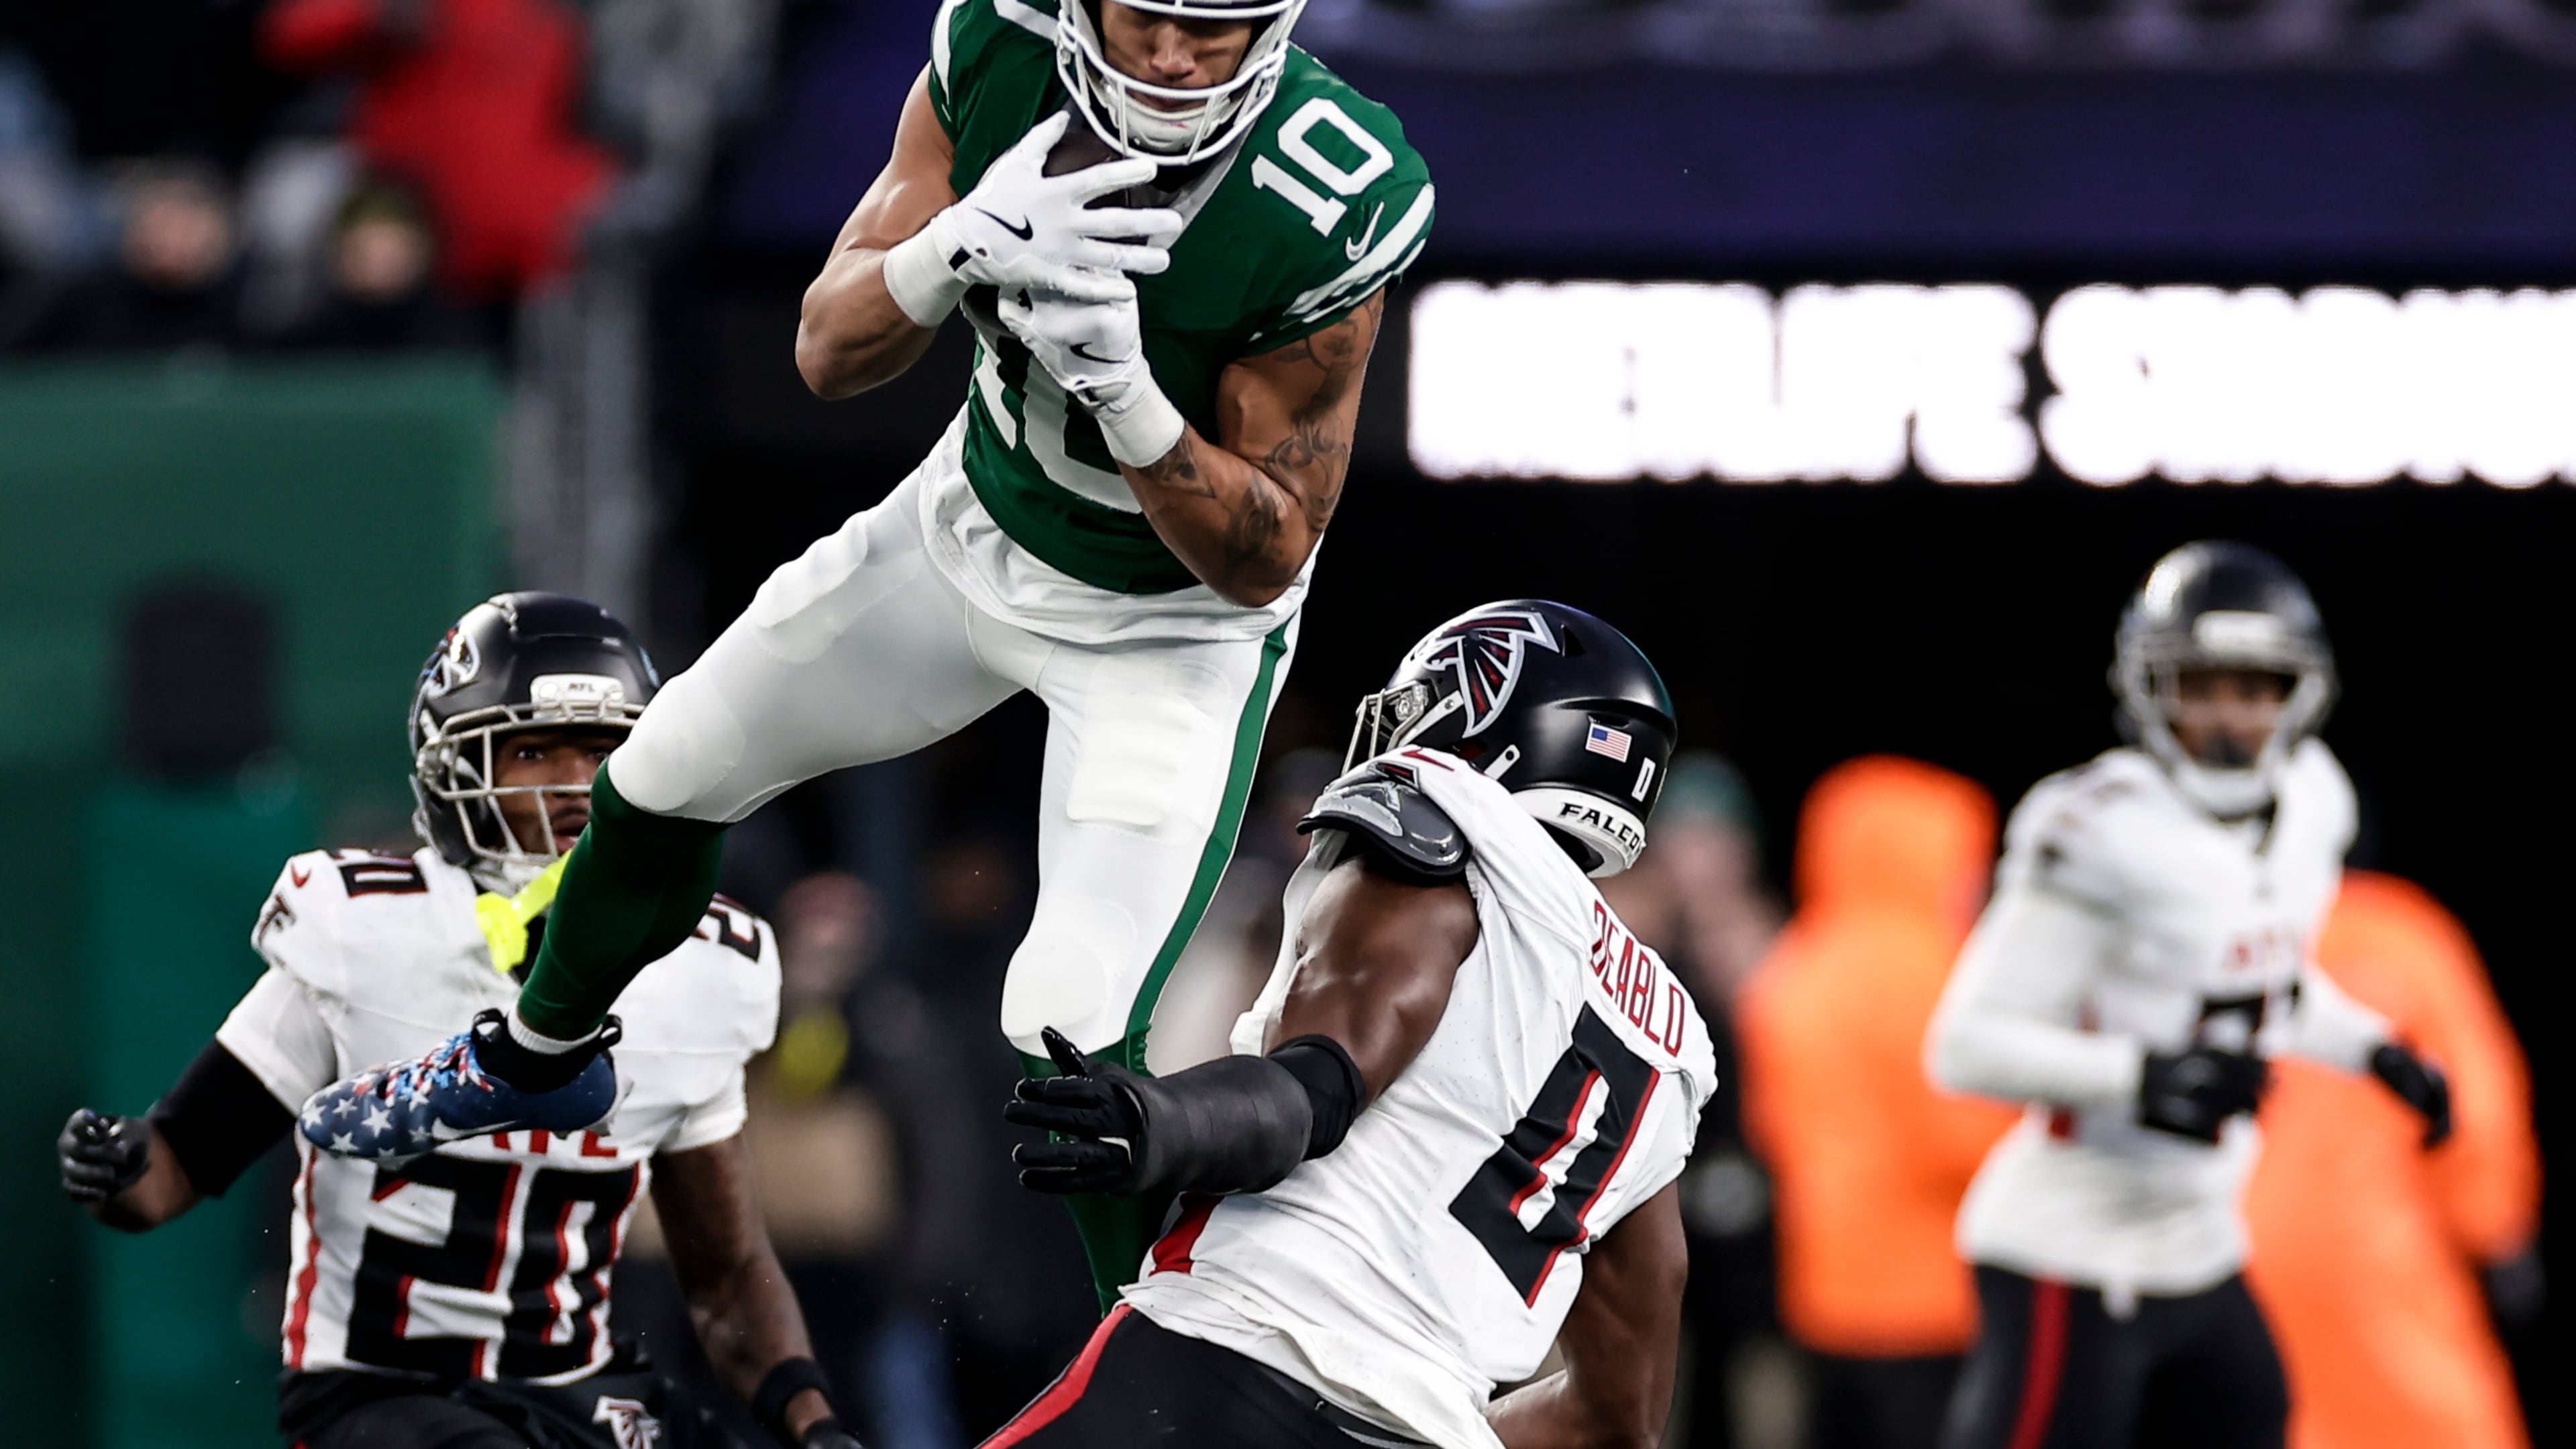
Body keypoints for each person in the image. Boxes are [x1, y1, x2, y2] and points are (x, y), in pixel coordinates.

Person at [301, 0, 1437, 1311]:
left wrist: (1126, 391)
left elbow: (1264, 553)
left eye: (1216, 28)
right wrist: (949, 251)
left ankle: (1175, 1370)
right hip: (965, 529)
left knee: (1067, 1029)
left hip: (1167, 632)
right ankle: (540, 1049)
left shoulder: (1332, 186)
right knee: (663, 770)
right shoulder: (997, 51)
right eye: (1149, 16)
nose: (1180, 57)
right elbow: (826, 352)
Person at [57, 593, 863, 1449]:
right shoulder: (368, 932)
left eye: (602, 752)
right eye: (531, 751)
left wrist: (813, 1426)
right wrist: (117, 1166)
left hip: (570, 1386)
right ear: (454, 768)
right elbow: (178, 1159)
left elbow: (727, 1274)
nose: (573, 785)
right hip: (379, 1393)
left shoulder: (703, 968)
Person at [994, 600, 1716, 1449]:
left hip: (1228, 1358)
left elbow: (1318, 1088)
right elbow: (1619, 1414)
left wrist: (1162, 1124)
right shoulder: (1669, 1040)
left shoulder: (1449, 836)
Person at [1925, 542, 2454, 1449]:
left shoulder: (2313, 801)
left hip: (2199, 1236)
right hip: (2073, 1246)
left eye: (2255, 688)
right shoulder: (2100, 828)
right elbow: (1963, 1047)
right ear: (2148, 688)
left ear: (2301, 694)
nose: (2227, 719)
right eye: (2201, 685)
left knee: (2252, 1415)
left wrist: (2374, 1049)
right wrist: (2140, 1076)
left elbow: (2264, 984)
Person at [1737, 757, 2012, 1449]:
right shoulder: (1929, 974)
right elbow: (1961, 1141)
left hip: (1822, 1289)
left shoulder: (1794, 964)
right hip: (1930, 1298)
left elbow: (1768, 1127)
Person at [2245, 870, 2540, 1449]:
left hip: (2230, 1263)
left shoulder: (2192, 931)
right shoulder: (2397, 934)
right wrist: (2495, 1230)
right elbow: (2471, 1103)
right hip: (2375, 1264)